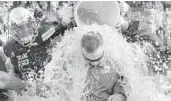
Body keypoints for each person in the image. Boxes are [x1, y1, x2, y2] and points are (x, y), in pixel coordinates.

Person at [2, 7, 67, 96]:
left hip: (46, 82)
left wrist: (66, 20)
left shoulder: (42, 34)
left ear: (33, 23)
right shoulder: (9, 47)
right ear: (13, 31)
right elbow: (14, 68)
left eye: (28, 25)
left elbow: (61, 28)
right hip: (26, 87)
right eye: (20, 27)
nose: (25, 30)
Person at [81, 31, 127, 101]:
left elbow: (122, 84)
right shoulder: (74, 65)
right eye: (89, 60)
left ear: (103, 49)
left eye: (98, 58)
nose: (95, 63)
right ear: (82, 53)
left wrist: (120, 95)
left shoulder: (113, 65)